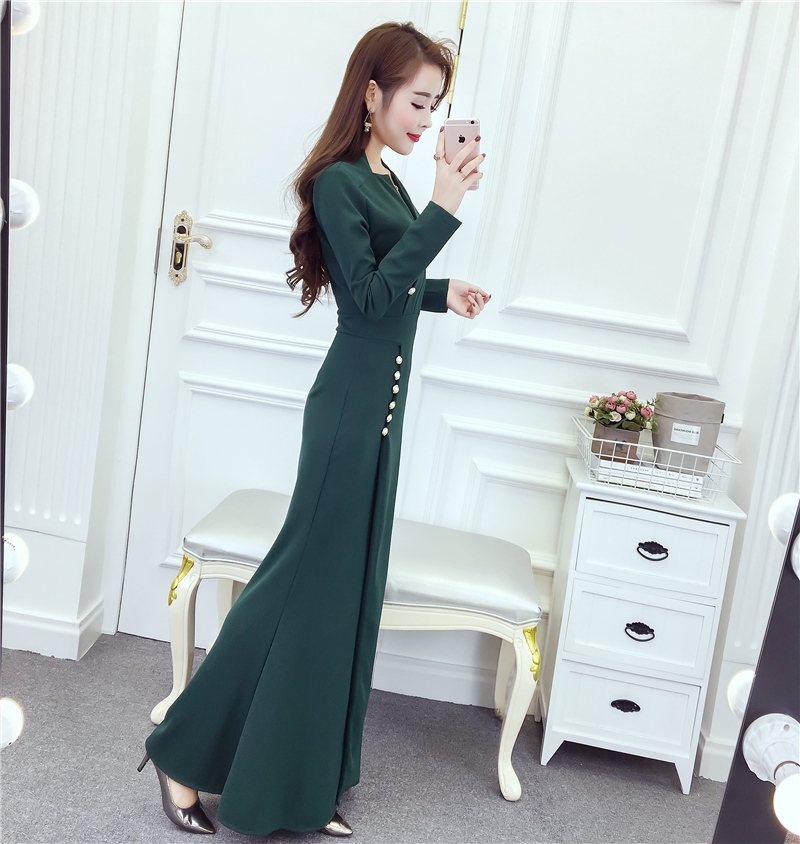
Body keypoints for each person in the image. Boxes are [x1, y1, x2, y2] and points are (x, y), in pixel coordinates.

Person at [138, 21, 489, 838]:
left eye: (437, 106)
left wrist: (443, 293)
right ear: (371, 93)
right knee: (292, 591)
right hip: (348, 417)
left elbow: (392, 284)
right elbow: (366, 300)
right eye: (416, 101)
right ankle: (179, 753)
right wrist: (446, 206)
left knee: (344, 604)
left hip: (379, 420)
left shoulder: (388, 181)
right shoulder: (339, 183)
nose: (427, 121)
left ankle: (301, 783)